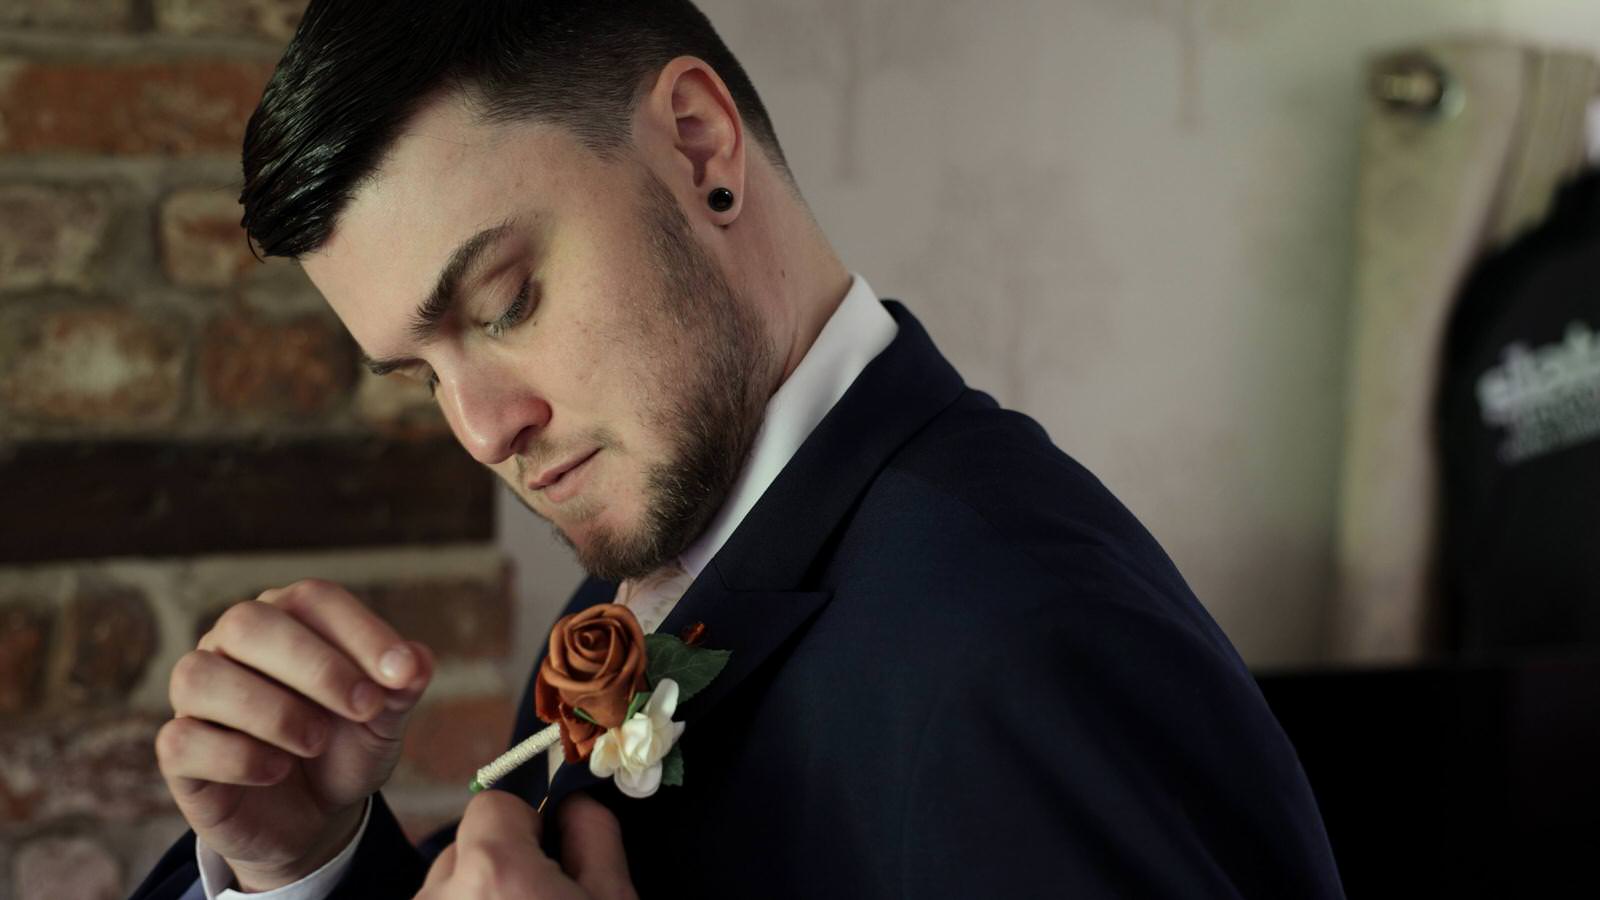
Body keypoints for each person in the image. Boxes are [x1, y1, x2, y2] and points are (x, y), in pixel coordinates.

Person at [129, 1, 1346, 897]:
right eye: (421, 374)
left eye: (504, 304)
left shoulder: (1023, 652)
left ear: (701, 148)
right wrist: (303, 866)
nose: (483, 428)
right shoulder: (653, 571)